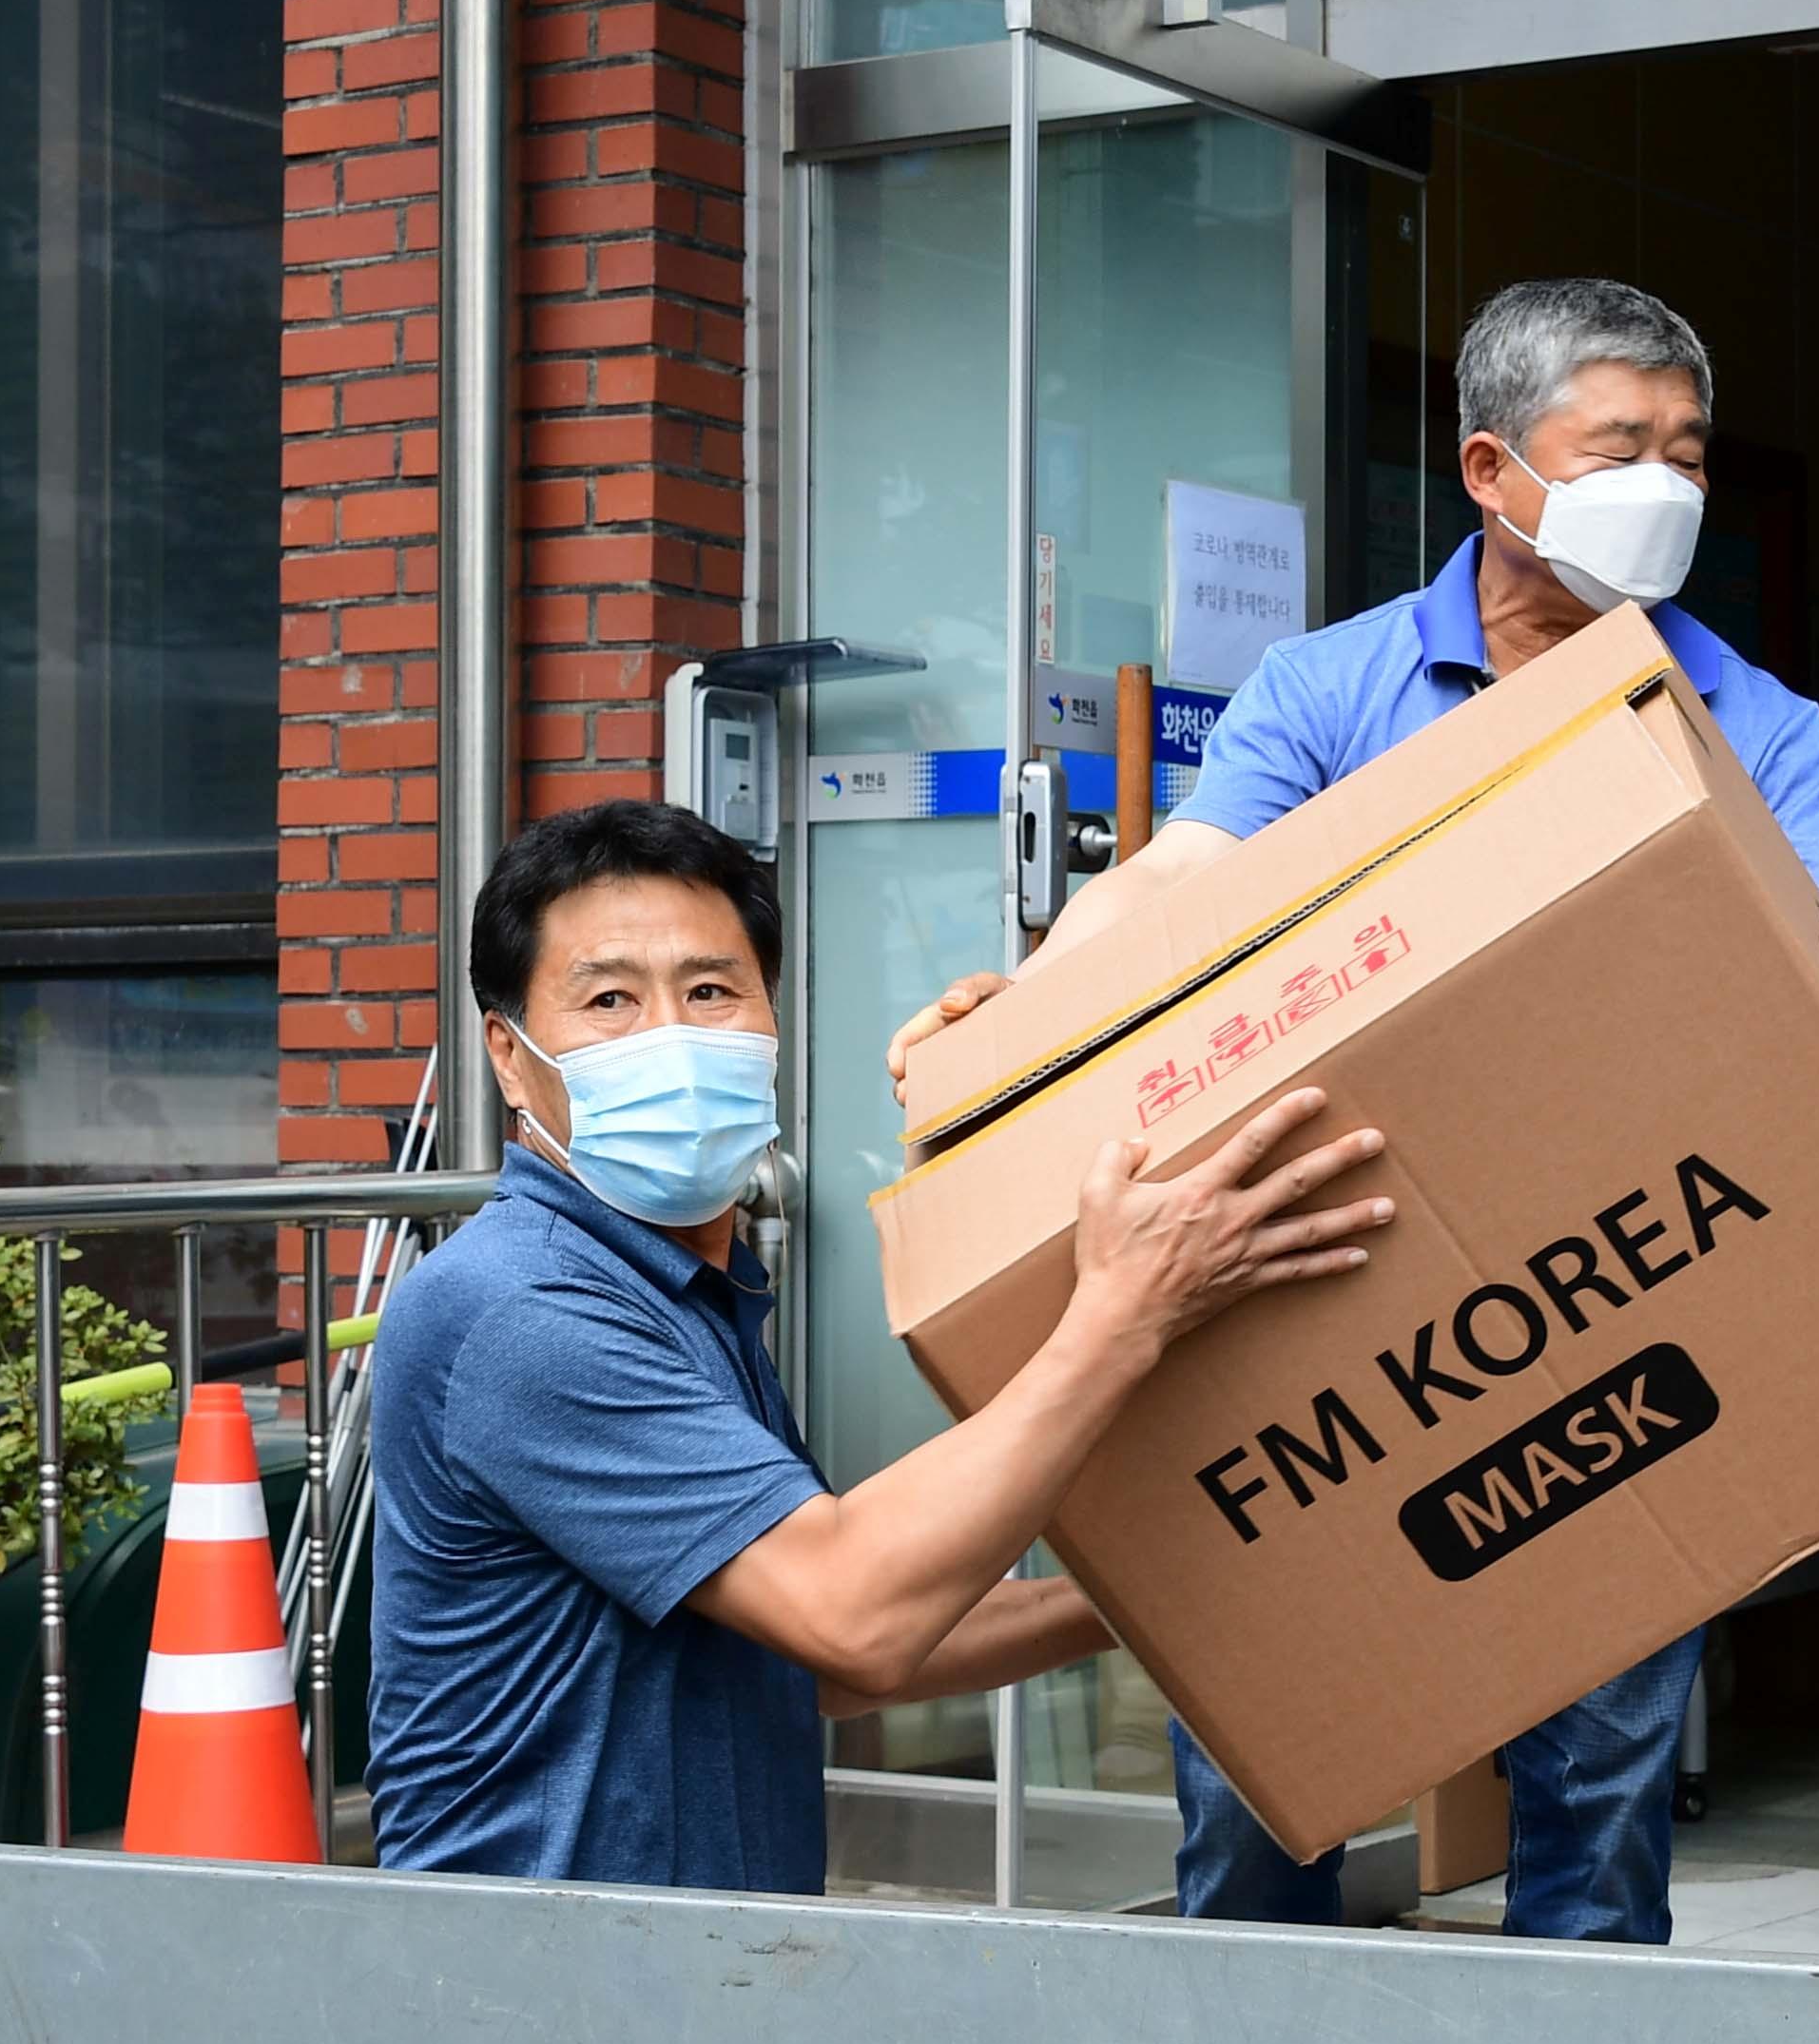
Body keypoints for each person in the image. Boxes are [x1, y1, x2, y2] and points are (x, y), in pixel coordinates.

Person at [887, 276, 1819, 1945]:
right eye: (1620, 446)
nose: (1670, 489)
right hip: (1318, 1291)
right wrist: (1024, 1022)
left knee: (1600, 1780)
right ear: (1491, 471)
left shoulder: (1739, 714)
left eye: (1689, 454)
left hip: (1606, 1288)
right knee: (1259, 1785)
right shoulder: (1330, 690)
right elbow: (1175, 888)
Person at [362, 801, 1396, 1889]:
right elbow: (851, 1611)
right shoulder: (518, 1308)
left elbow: (821, 1662)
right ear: (509, 1057)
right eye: (610, 999)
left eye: (711, 990)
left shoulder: (677, 1286)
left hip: (692, 1975)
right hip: (545, 1996)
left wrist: (1159, 1598)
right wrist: (1122, 1311)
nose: (671, 1034)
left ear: (771, 1018)